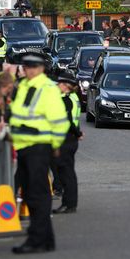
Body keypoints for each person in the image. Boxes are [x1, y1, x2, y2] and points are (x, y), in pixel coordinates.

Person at [10, 54, 70, 254]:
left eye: (32, 67)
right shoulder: (25, 86)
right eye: (26, 66)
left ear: (41, 68)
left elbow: (60, 121)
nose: (28, 70)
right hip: (24, 146)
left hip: (39, 147)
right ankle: (46, 239)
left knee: (37, 195)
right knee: (32, 193)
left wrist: (55, 145)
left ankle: (36, 239)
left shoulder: (47, 89)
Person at [53, 73, 83, 214]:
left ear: (66, 86)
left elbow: (67, 120)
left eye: (59, 83)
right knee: (67, 172)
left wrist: (77, 133)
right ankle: (69, 203)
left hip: (66, 138)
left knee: (66, 174)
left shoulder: (66, 99)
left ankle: (69, 204)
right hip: (71, 137)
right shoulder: (73, 97)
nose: (57, 85)